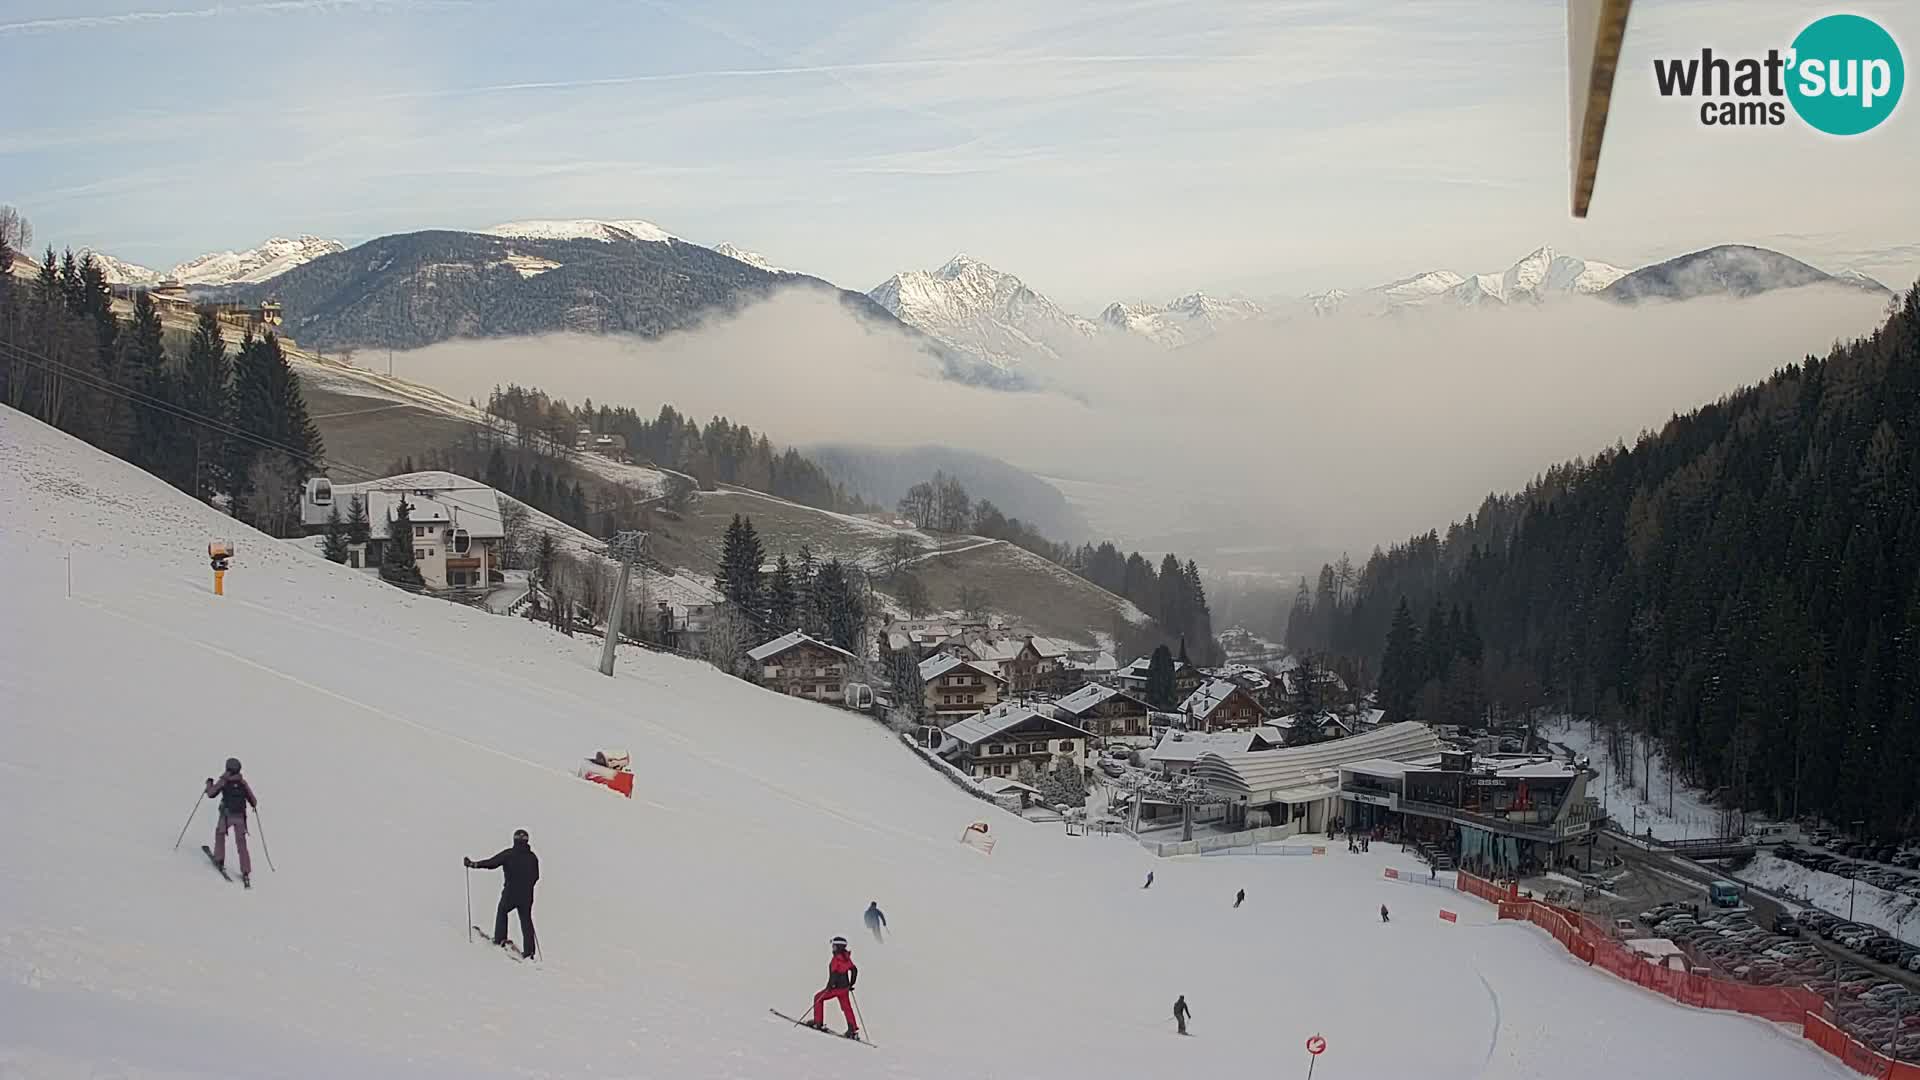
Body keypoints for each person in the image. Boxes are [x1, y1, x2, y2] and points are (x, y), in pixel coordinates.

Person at [466, 829, 539, 958]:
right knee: (526, 920)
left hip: (510, 893)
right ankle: (530, 952)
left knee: (502, 911)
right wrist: (527, 886)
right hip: (527, 895)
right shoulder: (532, 857)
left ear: (515, 840)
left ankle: (500, 939)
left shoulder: (509, 854)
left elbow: (491, 863)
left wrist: (474, 864)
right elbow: (536, 876)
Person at [204, 757, 258, 887]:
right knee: (241, 844)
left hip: (226, 816)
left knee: (220, 834)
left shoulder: (224, 781)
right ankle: (245, 871)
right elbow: (253, 801)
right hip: (240, 817)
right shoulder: (242, 783)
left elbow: (211, 794)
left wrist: (209, 784)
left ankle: (219, 859)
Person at [807, 937, 860, 1039]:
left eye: (834, 946)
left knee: (818, 998)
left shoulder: (837, 959)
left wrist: (830, 986)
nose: (833, 948)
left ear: (839, 947)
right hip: (844, 989)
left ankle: (818, 1022)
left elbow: (834, 974)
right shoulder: (846, 957)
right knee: (847, 1007)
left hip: (836, 988)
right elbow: (854, 970)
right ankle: (852, 1029)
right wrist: (851, 984)